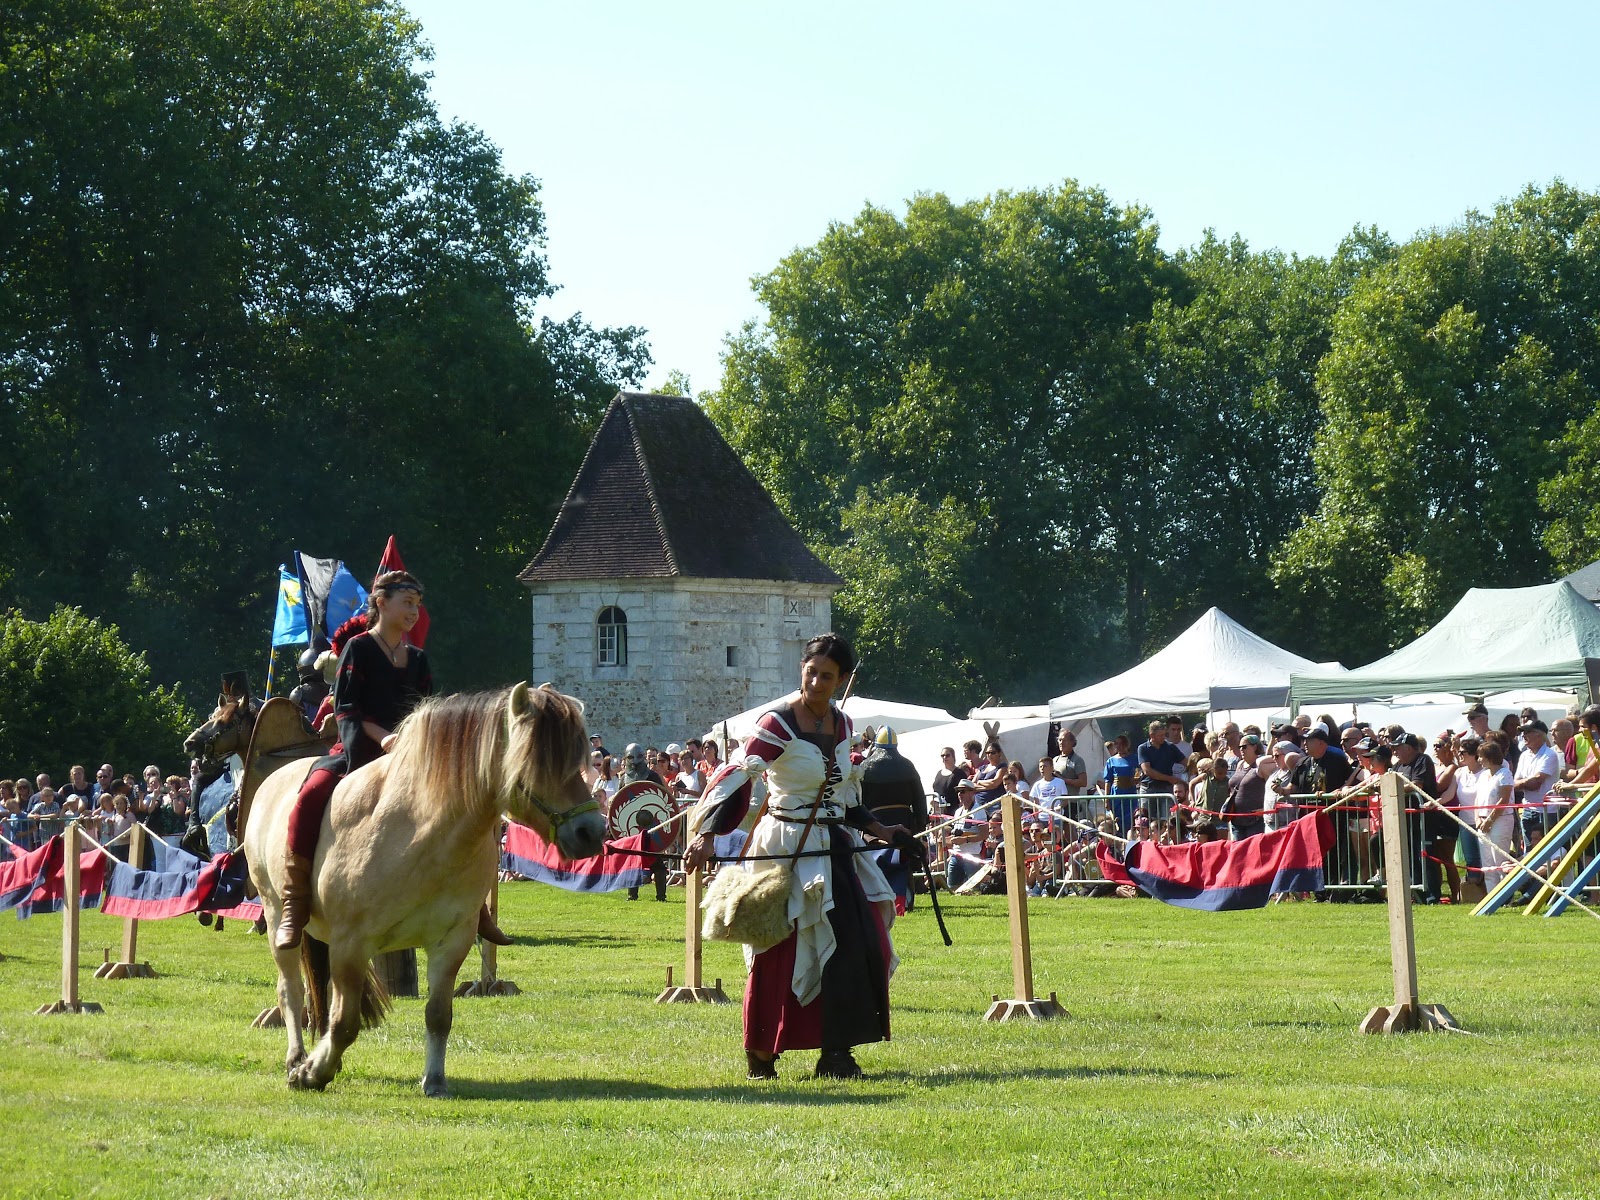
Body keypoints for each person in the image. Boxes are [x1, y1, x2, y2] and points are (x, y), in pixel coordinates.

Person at [682, 633, 907, 1081]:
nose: (817, 682)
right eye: (811, 672)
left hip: (835, 848)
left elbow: (845, 799)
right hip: (785, 847)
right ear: (802, 669)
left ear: (842, 679)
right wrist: (706, 834)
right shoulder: (777, 723)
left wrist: (882, 830)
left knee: (859, 945)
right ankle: (761, 1054)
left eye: (827, 676)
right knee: (779, 951)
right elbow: (737, 777)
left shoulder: (843, 724)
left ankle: (836, 1053)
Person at [272, 571, 486, 949]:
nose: (414, 611)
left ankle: (475, 906)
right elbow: (346, 708)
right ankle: (294, 902)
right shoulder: (358, 649)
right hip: (358, 751)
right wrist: (384, 737)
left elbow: (425, 713)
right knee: (310, 795)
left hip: (412, 759)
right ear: (382, 603)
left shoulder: (418, 659)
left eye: (418, 605)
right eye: (408, 603)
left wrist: (419, 741)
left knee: (463, 805)